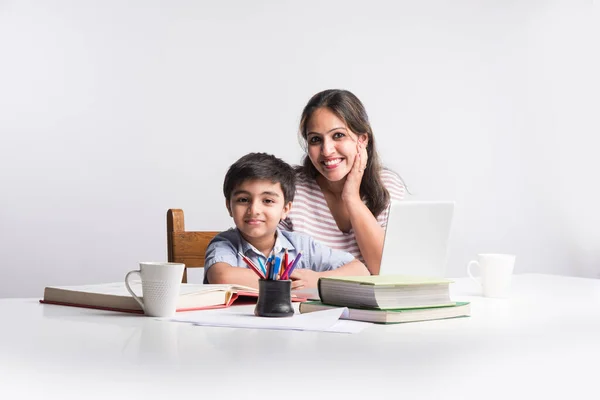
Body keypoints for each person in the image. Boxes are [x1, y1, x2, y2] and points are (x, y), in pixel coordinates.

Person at [279, 89, 406, 275]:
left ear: (362, 140)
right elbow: (273, 266)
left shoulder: (387, 185)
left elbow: (384, 270)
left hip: (368, 303)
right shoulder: (291, 188)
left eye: (338, 135)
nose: (327, 150)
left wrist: (352, 197)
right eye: (315, 139)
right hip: (306, 302)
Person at [204, 152, 369, 290]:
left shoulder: (301, 245)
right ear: (228, 206)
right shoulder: (225, 244)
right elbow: (222, 276)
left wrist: (317, 280)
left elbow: (360, 271)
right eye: (243, 200)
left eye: (267, 201)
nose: (254, 210)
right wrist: (286, 283)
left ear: (285, 209)